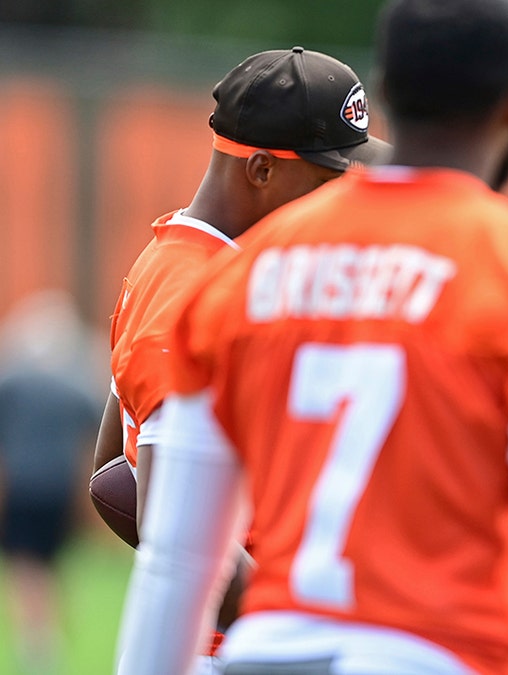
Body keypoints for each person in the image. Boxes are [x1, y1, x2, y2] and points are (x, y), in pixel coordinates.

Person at [115, 1, 508, 674]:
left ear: (387, 92)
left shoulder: (238, 276)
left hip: (266, 652)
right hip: (436, 653)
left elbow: (177, 555)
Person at [93, 46, 389, 671]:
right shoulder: (191, 290)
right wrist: (310, 635)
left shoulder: (188, 263)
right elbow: (178, 530)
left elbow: (110, 474)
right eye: (330, 178)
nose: (347, 196)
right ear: (259, 169)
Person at [0, 291, 104, 675]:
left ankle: (37, 641)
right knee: (50, 564)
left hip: (24, 487)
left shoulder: (11, 381)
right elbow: (97, 418)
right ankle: (50, 632)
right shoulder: (71, 387)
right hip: (60, 490)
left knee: (26, 566)